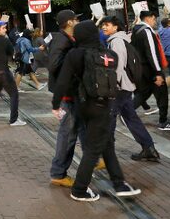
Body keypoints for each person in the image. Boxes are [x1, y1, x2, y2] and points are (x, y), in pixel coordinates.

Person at [52, 21, 142, 202]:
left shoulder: (74, 54)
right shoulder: (110, 55)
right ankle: (79, 189)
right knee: (94, 149)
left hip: (82, 105)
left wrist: (55, 104)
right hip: (103, 106)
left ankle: (119, 183)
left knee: (105, 144)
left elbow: (62, 82)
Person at [100, 16, 160, 162]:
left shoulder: (117, 42)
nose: (104, 27)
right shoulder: (119, 40)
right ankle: (149, 148)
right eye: (103, 25)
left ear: (115, 27)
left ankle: (107, 154)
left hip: (120, 86)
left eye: (107, 25)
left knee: (110, 118)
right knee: (130, 117)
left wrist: (113, 86)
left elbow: (118, 66)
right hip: (125, 86)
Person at [47, 10, 82, 188]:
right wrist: (71, 66)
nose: (78, 22)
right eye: (76, 19)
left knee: (74, 131)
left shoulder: (66, 39)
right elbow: (53, 65)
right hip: (66, 93)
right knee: (67, 134)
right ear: (69, 22)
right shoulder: (62, 40)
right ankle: (58, 172)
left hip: (69, 92)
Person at [133, 11, 170, 131]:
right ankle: (163, 121)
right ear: (149, 18)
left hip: (142, 69)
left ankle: (125, 112)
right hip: (151, 70)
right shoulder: (146, 32)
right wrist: (158, 73)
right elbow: (152, 54)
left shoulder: (136, 29)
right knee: (162, 95)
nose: (155, 22)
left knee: (143, 94)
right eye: (154, 19)